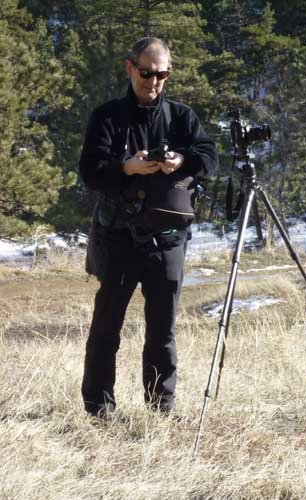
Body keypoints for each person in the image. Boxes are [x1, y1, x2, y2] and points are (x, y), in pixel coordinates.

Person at [79, 37, 218, 418]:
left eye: (162, 74)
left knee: (163, 332)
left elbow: (209, 157)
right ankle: (99, 410)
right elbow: (89, 172)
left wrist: (181, 159)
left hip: (168, 241)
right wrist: (127, 167)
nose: (153, 81)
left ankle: (161, 409)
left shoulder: (182, 117)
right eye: (147, 73)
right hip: (118, 236)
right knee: (107, 328)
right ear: (129, 68)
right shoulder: (107, 117)